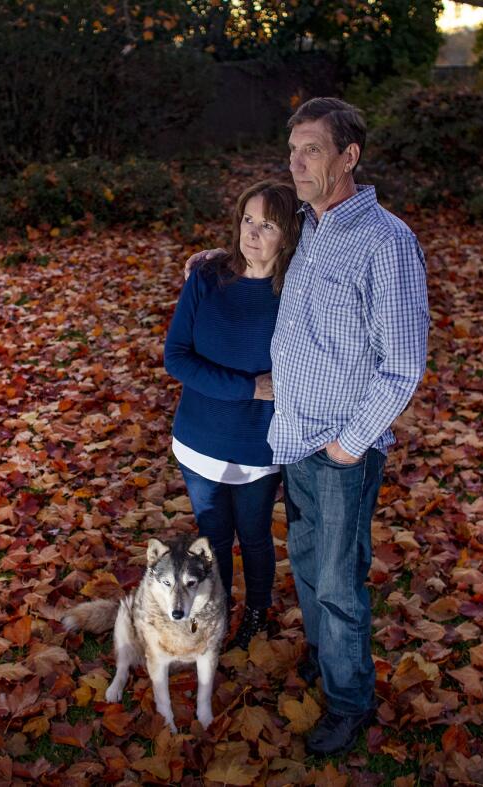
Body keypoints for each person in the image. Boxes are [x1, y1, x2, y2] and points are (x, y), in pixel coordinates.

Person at [188, 97, 430, 756]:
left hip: (340, 450)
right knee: (310, 569)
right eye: (293, 149)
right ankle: (326, 663)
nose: (297, 163)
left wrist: (351, 443)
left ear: (350, 156)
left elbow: (404, 364)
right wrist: (211, 259)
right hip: (292, 439)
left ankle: (350, 701)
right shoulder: (306, 224)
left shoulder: (386, 240)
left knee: (340, 582)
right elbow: (258, 245)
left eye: (312, 150)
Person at [164, 179, 301, 653]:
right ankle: (217, 612)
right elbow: (177, 357)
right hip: (198, 439)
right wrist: (249, 386)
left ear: (288, 234)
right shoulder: (207, 277)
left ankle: (258, 612)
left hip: (256, 445)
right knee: (214, 536)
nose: (253, 233)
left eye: (267, 225)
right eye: (248, 219)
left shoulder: (297, 292)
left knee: (255, 534)